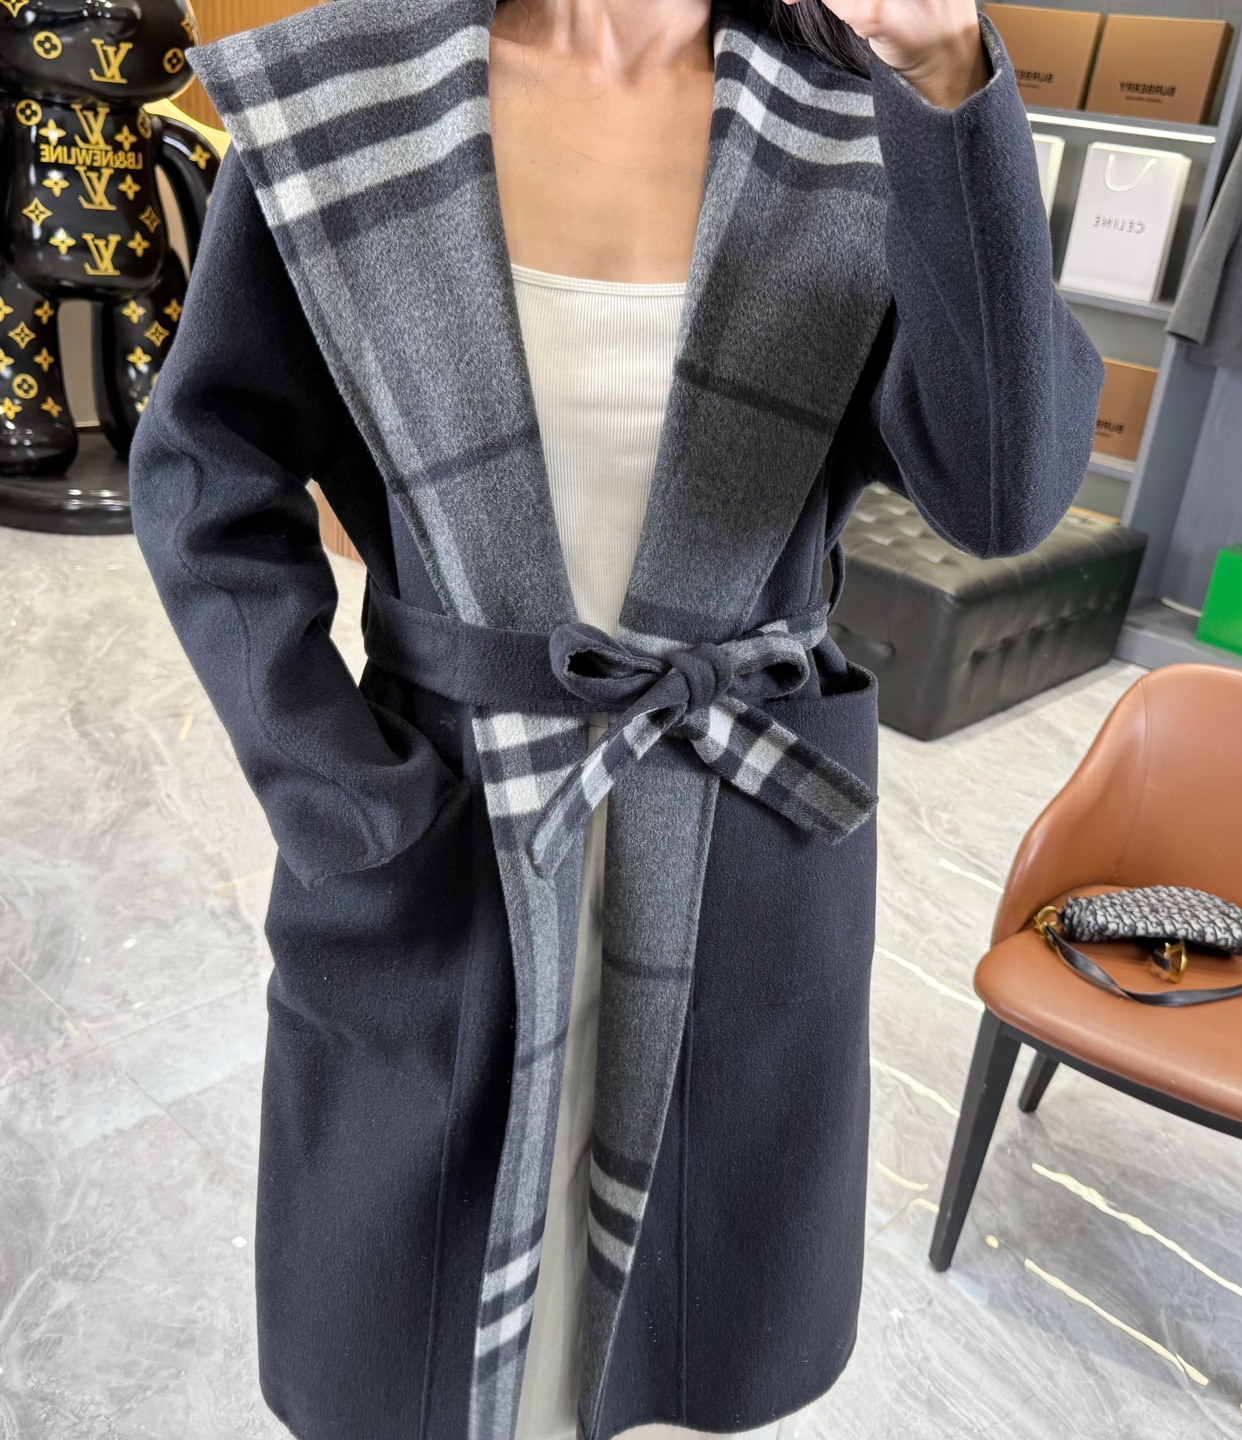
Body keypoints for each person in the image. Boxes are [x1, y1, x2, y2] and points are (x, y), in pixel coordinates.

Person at [129, 0, 1101, 1435]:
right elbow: (204, 475)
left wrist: (948, 74)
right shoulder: (342, 95)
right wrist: (341, 795)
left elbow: (1004, 492)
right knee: (420, 1348)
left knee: (678, 1338)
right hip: (444, 837)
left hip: (740, 842)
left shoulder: (863, 121)